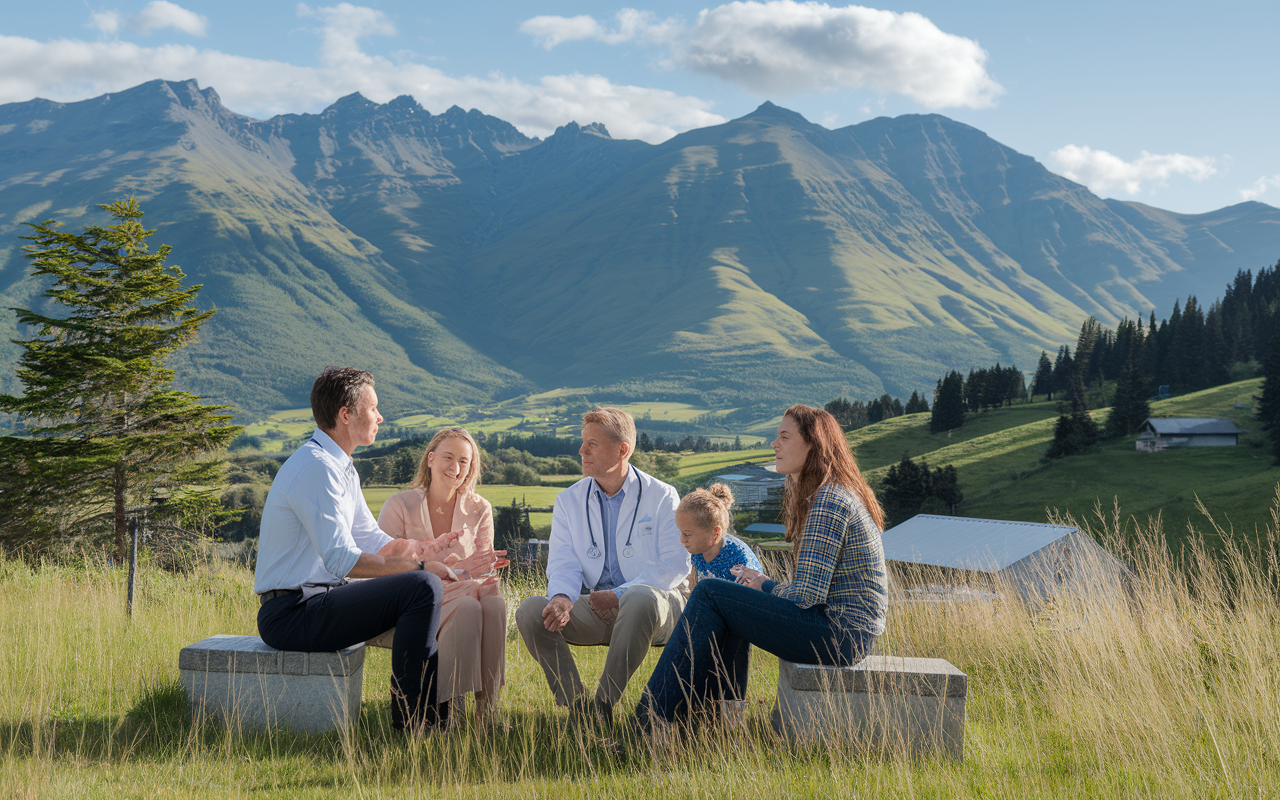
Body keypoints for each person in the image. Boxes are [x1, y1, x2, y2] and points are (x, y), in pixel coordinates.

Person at [254, 367, 500, 731]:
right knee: (421, 586)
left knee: (424, 586)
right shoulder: (316, 468)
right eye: (374, 407)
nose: (380, 416)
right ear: (345, 414)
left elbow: (372, 539)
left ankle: (435, 717)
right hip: (293, 613)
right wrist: (418, 569)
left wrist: (425, 550)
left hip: (318, 603)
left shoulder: (341, 468)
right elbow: (341, 559)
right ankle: (414, 722)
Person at [635, 404, 887, 730]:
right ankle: (717, 723)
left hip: (839, 635)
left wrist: (766, 584)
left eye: (784, 436)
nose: (775, 444)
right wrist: (760, 585)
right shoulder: (832, 495)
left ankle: (650, 720)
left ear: (813, 444)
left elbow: (807, 596)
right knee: (728, 602)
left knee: (711, 592)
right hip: (845, 633)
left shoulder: (828, 502)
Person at [515, 407, 690, 725]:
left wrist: (620, 594)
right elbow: (564, 562)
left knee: (639, 598)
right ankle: (578, 707)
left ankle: (604, 704)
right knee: (531, 611)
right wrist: (562, 598)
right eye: (583, 442)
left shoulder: (663, 496)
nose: (581, 451)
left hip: (657, 606)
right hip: (598, 607)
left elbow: (675, 564)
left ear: (622, 449)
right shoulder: (569, 500)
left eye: (592, 444)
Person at [377, 428, 507, 721]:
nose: (456, 468)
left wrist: (469, 571)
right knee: (469, 604)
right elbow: (384, 568)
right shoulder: (399, 505)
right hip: (413, 598)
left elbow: (482, 568)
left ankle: (487, 708)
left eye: (464, 461)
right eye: (448, 457)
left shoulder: (479, 508)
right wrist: (457, 571)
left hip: (465, 593)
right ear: (431, 459)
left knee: (492, 603)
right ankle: (454, 710)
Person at [677, 483, 764, 586]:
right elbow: (696, 585)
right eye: (681, 532)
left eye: (687, 534)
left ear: (715, 533)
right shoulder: (698, 551)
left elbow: (749, 598)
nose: (681, 540)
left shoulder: (739, 561)